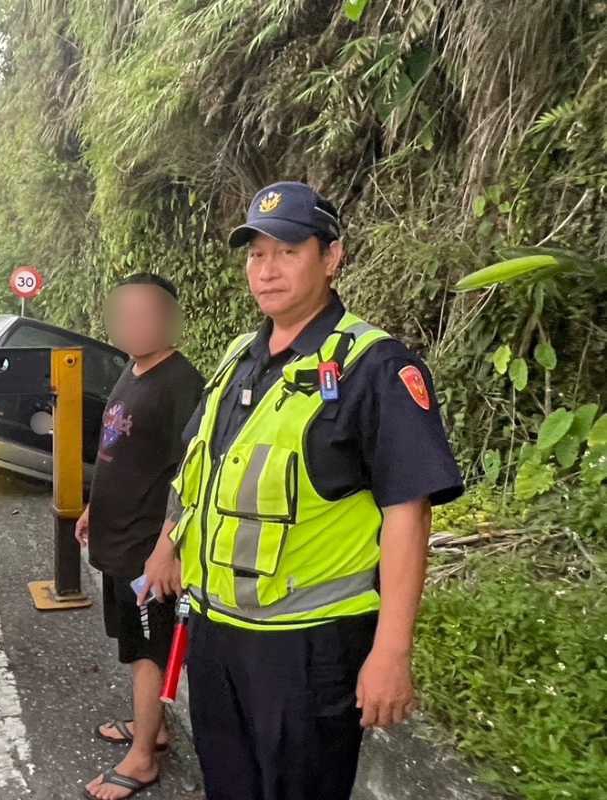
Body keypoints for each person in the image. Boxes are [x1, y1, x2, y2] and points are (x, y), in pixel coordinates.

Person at [140, 182, 464, 800]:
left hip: (308, 649)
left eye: (287, 250)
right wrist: (167, 545)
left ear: (332, 256)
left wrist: (392, 651)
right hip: (215, 631)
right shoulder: (241, 355)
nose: (266, 270)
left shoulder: (377, 367)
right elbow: (200, 470)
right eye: (256, 254)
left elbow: (407, 512)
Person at [77, 273, 205, 800]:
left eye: (146, 313)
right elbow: (118, 449)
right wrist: (92, 505)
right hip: (118, 536)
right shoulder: (133, 369)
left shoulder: (182, 383)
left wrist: (167, 548)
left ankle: (143, 758)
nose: (134, 324)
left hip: (147, 547)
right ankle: (153, 726)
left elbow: (193, 469)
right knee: (133, 643)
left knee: (150, 652)